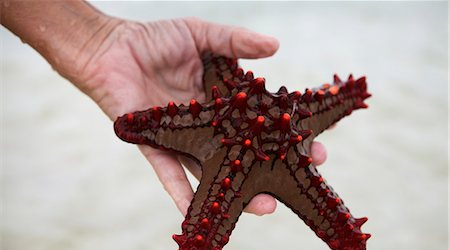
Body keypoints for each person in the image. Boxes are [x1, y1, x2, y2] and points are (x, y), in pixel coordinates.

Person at [1, 0, 327, 216]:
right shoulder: (238, 95)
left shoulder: (229, 97)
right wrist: (94, 39)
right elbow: (136, 123)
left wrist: (96, 39)